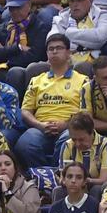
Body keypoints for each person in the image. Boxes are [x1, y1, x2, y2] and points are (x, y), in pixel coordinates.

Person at [17, 34, 90, 168]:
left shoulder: (83, 80)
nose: (54, 51)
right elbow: (25, 111)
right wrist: (40, 125)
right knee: (25, 143)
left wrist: (66, 124)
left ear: (68, 53)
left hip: (70, 127)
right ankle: (43, 177)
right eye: (51, 49)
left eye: (59, 48)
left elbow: (86, 112)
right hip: (40, 128)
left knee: (69, 139)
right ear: (47, 53)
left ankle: (60, 175)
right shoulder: (36, 80)